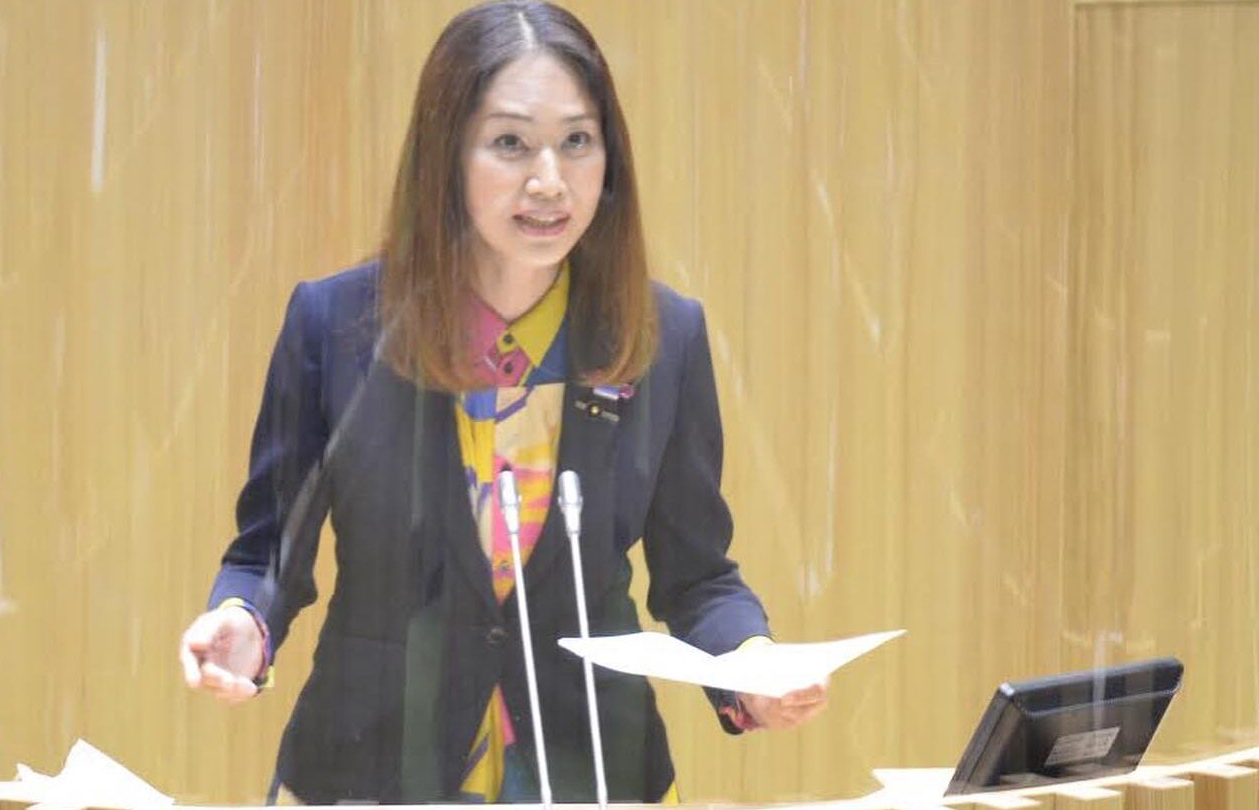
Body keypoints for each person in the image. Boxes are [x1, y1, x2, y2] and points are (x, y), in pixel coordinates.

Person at [178, 1, 827, 804]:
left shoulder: (664, 338)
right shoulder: (335, 327)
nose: (549, 181)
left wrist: (751, 661)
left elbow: (697, 577)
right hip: (374, 769)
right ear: (446, 155)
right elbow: (269, 551)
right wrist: (245, 618)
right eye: (511, 142)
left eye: (577, 142)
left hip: (591, 771)